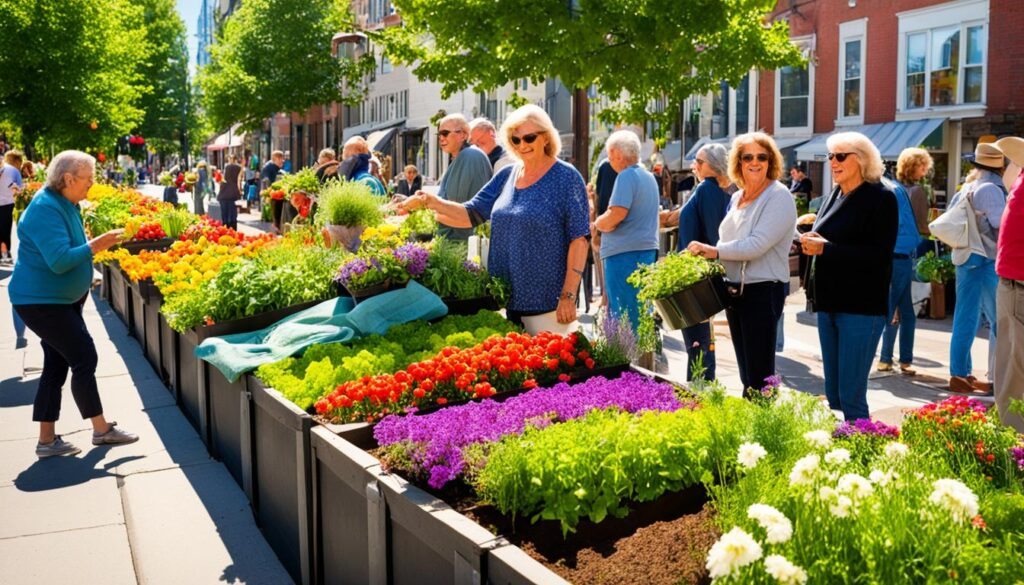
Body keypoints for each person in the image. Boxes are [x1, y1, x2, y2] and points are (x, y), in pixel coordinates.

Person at [401, 104, 589, 331]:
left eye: (529, 138)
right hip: (508, 298)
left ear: (546, 138)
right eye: (515, 139)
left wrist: (568, 295)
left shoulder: (567, 177)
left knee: (553, 364)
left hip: (549, 302)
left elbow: (579, 239)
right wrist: (428, 202)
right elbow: (471, 213)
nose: (522, 145)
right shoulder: (507, 175)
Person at [8, 150, 139, 458]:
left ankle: (47, 441)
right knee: (84, 356)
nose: (91, 185)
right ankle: (101, 430)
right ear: (68, 179)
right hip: (42, 301)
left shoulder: (64, 201)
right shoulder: (44, 208)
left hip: (58, 299)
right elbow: (60, 261)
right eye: (88, 179)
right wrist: (98, 243)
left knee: (56, 365)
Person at [686, 132, 796, 395]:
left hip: (763, 290)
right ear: (738, 162)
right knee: (746, 374)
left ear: (771, 161)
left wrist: (713, 251)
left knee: (759, 377)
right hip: (735, 290)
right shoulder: (737, 197)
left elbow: (757, 245)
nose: (755, 162)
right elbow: (731, 239)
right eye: (748, 157)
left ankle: (764, 430)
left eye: (762, 157)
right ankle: (752, 430)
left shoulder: (778, 196)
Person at [801, 132, 898, 421]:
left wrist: (826, 249)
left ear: (862, 159)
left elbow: (879, 255)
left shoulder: (882, 197)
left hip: (860, 307)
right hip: (829, 302)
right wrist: (815, 239)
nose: (833, 162)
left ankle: (864, 453)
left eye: (841, 156)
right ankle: (843, 452)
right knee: (835, 394)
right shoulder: (836, 193)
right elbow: (834, 238)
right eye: (830, 156)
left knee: (851, 396)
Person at [660, 143, 731, 380]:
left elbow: (713, 234)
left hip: (696, 276)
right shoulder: (707, 189)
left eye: (699, 163)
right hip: (694, 272)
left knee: (698, 339)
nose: (695, 167)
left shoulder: (708, 189)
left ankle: (701, 386)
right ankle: (700, 384)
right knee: (697, 339)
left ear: (713, 166)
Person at [947, 143, 1007, 394]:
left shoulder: (967, 187)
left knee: (965, 318)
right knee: (999, 321)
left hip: (964, 257)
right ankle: (998, 376)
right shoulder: (991, 189)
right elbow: (1001, 225)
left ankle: (960, 374)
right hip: (985, 259)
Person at [593, 130, 659, 332]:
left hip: (624, 255)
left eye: (609, 155)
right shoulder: (648, 176)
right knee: (639, 312)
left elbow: (616, 215)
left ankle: (624, 361)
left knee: (623, 315)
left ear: (617, 153)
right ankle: (639, 359)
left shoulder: (626, 177)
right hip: (644, 251)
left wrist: (597, 224)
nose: (609, 160)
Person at [877, 148, 934, 375]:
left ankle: (904, 359)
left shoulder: (891, 188)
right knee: (895, 308)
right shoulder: (918, 192)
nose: (925, 169)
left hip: (891, 253)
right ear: (914, 166)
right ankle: (886, 359)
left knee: (906, 310)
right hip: (904, 255)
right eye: (923, 165)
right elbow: (922, 225)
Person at [993, 136, 1024, 432]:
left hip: (1018, 284)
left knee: (1013, 377)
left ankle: (1016, 451)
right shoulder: (1018, 172)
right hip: (1012, 283)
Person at [430, 114, 492, 241]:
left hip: (463, 247)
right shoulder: (463, 157)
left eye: (445, 133)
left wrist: (426, 209)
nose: (441, 138)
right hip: (458, 243)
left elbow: (458, 212)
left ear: (463, 135)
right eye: (439, 134)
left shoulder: (470, 156)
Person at [1, 150, 26, 265]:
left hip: (5, 202)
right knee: (5, 229)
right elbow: (20, 190)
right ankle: (5, 255)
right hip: (6, 204)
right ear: (17, 161)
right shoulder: (14, 171)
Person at [261, 151, 285, 231]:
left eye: (282, 158)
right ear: (275, 159)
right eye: (280, 159)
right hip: (274, 194)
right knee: (275, 211)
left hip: (277, 193)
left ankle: (277, 227)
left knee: (277, 211)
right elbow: (266, 179)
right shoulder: (269, 167)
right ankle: (275, 227)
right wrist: (270, 190)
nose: (282, 161)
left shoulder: (276, 167)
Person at [218, 155, 242, 230]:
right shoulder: (239, 168)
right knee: (232, 215)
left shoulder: (227, 167)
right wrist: (239, 191)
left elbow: (224, 179)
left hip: (224, 193)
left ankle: (225, 229)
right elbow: (239, 180)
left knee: (224, 215)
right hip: (233, 193)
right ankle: (233, 230)